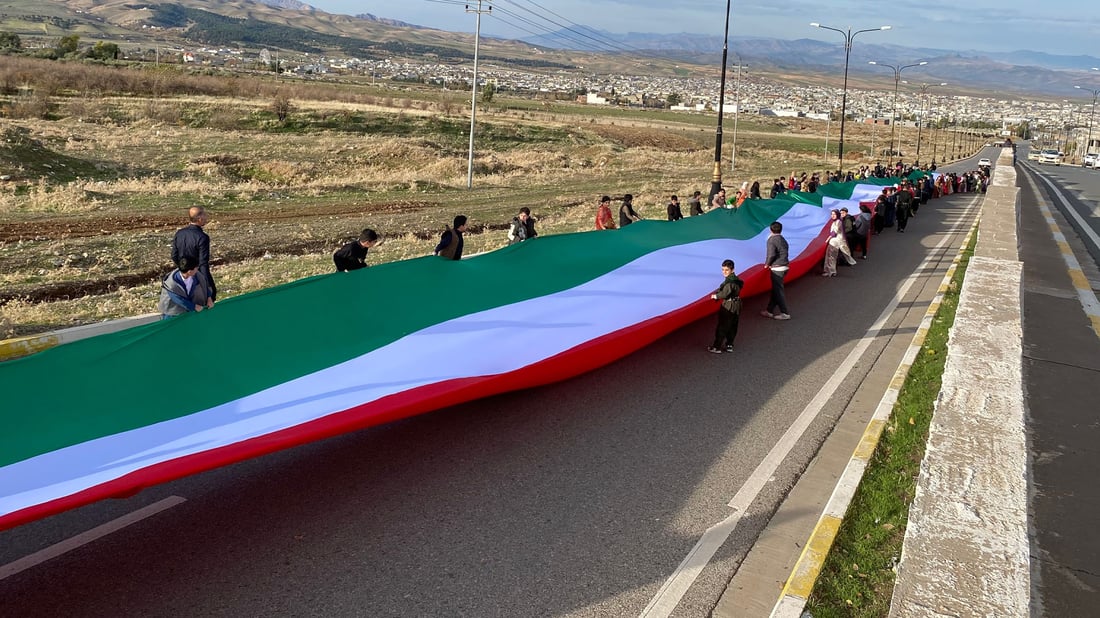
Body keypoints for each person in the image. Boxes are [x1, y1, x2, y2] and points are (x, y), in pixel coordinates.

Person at [171, 206, 216, 302]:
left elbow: (174, 255)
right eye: (204, 215)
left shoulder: (180, 233)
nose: (206, 217)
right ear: (199, 219)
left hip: (183, 273)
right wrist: (208, 286)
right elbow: (203, 263)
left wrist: (183, 268)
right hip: (196, 275)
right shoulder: (202, 237)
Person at [708, 259, 744, 353]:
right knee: (733, 325)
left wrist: (715, 296)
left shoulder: (729, 283)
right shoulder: (737, 280)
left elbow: (724, 294)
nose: (724, 272)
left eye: (726, 270)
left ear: (732, 270)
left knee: (723, 326)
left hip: (729, 305)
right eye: (723, 269)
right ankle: (729, 345)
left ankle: (717, 347)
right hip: (737, 304)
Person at [761, 221, 790, 320]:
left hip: (777, 268)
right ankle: (769, 310)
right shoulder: (783, 239)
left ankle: (785, 312)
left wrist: (767, 264)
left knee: (778, 291)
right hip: (785, 266)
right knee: (776, 290)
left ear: (770, 230)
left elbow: (771, 254)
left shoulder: (772, 240)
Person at [823, 209, 857, 276]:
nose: (832, 216)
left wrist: (828, 239)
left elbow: (834, 232)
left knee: (831, 256)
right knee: (832, 256)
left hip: (835, 241)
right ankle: (832, 271)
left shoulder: (838, 222)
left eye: (834, 214)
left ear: (837, 215)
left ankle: (830, 271)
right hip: (836, 241)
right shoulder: (837, 221)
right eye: (831, 214)